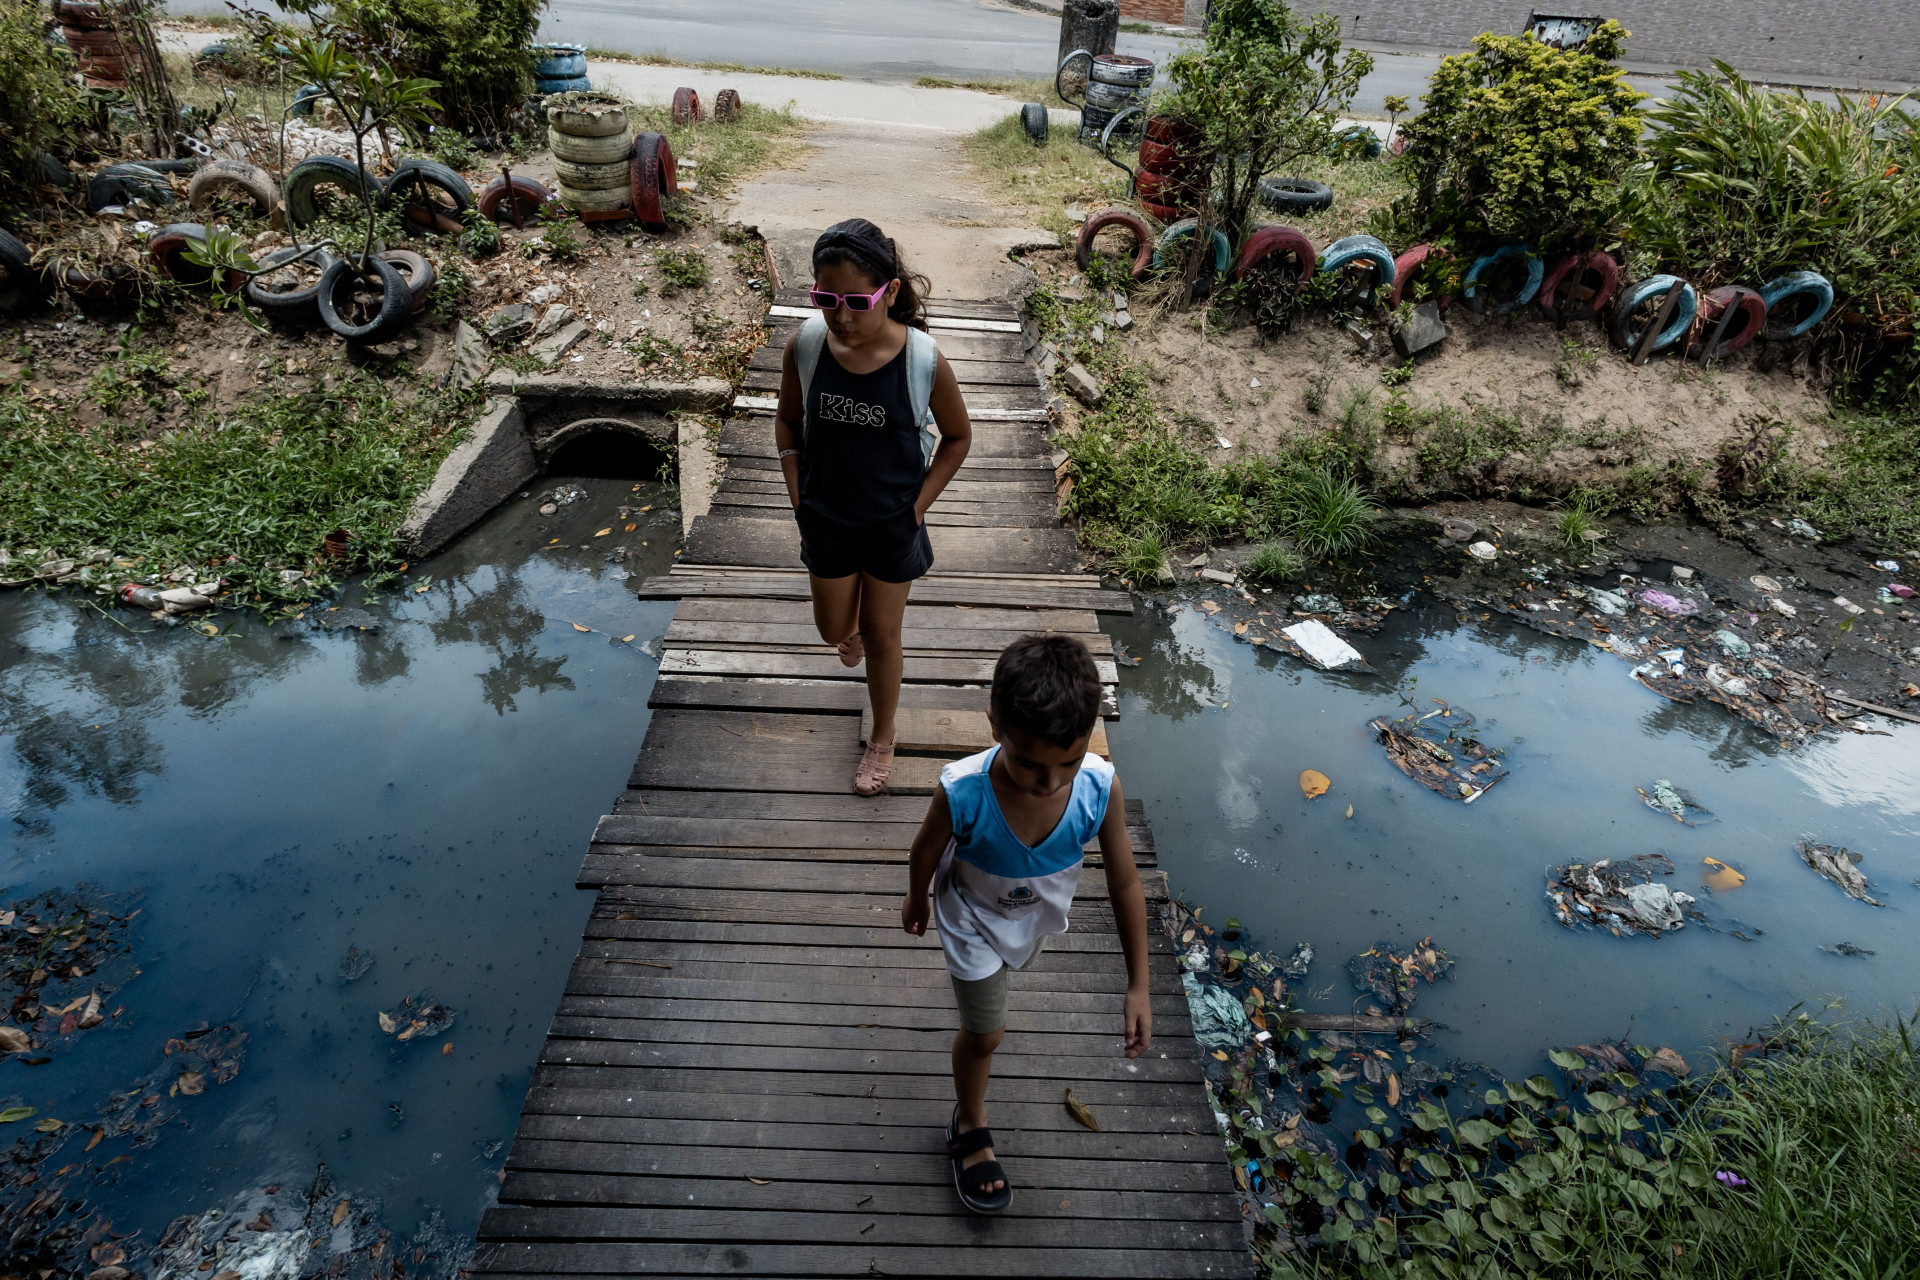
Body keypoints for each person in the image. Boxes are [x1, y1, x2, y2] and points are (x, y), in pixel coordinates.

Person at [899, 634, 1152, 1214]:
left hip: (1032, 915)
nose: (1050, 782)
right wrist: (916, 898)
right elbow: (924, 850)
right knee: (986, 1034)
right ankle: (970, 1120)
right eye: (1030, 763)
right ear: (994, 727)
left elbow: (1125, 883)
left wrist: (1139, 984)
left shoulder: (1099, 789)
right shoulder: (962, 791)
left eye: (1069, 762)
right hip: (970, 916)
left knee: (1003, 986)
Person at [772, 219, 972, 796]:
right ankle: (851, 628)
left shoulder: (922, 360)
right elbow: (787, 421)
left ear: (889, 291)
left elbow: (958, 438)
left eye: (857, 302)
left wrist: (916, 509)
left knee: (883, 637)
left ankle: (882, 737)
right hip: (826, 518)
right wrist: (797, 493)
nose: (842, 317)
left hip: (892, 525)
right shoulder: (807, 346)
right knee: (833, 629)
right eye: (826, 300)